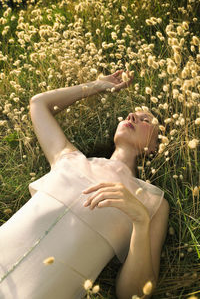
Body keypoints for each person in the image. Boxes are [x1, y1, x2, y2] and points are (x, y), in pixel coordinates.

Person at [0, 70, 169, 299]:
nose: (132, 117)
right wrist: (97, 85)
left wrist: (140, 220)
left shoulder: (152, 202)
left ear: (154, 148)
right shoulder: (69, 158)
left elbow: (134, 294)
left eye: (145, 120)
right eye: (131, 114)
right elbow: (39, 103)